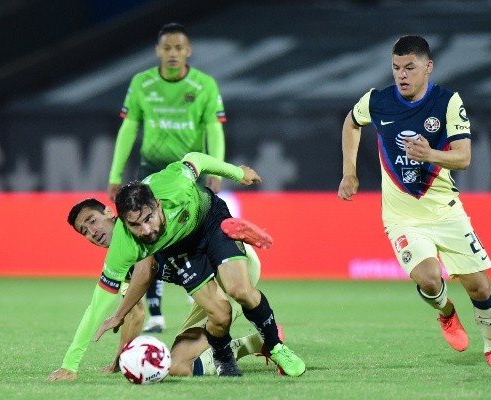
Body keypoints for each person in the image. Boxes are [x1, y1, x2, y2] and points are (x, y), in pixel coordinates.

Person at [337, 35, 491, 368]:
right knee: (430, 278)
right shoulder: (377, 101)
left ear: (428, 67)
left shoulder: (447, 102)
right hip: (402, 218)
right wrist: (349, 172)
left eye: (410, 67)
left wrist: (430, 154)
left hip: (446, 213)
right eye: (396, 68)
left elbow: (463, 158)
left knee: (479, 287)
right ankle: (446, 313)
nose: (401, 75)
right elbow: (351, 122)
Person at [94, 152, 306, 377]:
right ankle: (229, 352)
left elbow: (196, 159)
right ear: (126, 224)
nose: (145, 230)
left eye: (93, 222)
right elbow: (136, 297)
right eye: (85, 232)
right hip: (191, 262)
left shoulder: (175, 187)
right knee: (189, 352)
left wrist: (237, 173)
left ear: (158, 205)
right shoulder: (127, 251)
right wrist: (115, 334)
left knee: (240, 290)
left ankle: (275, 347)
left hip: (212, 229)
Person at [47, 198, 275, 380]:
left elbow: (146, 267)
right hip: (207, 285)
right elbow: (133, 314)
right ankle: (257, 343)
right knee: (177, 362)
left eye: (92, 221)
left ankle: (263, 344)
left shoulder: (137, 226)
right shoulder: (120, 261)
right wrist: (120, 361)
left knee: (179, 365)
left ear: (108, 212)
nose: (92, 231)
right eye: (84, 231)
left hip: (230, 268)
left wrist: (70, 364)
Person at [107, 22, 229, 334]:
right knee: (148, 242)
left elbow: (214, 129)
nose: (173, 53)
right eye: (167, 48)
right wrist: (115, 173)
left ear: (188, 51)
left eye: (178, 48)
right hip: (151, 171)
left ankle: (199, 294)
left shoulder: (204, 85)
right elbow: (129, 127)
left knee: (191, 235)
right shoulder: (142, 83)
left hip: (187, 173)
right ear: (157, 51)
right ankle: (156, 314)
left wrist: (216, 168)